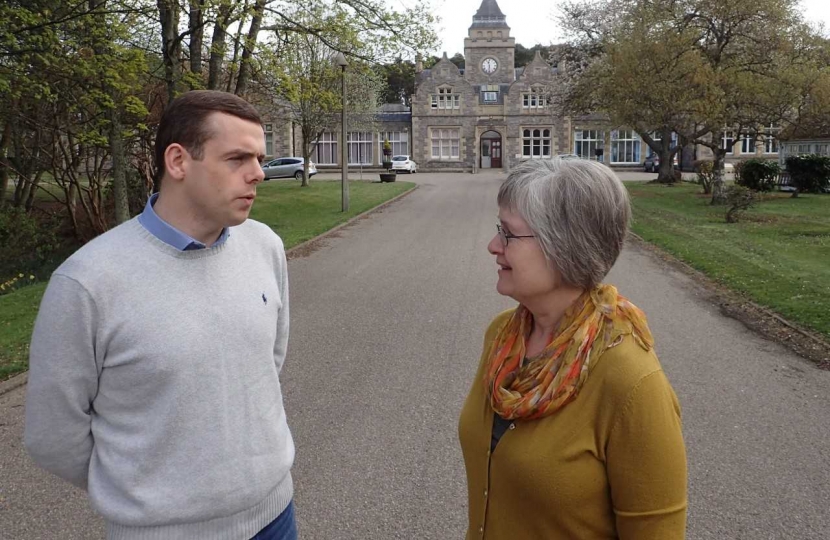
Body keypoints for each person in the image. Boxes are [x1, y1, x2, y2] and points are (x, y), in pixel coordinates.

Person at [24, 90, 298, 540]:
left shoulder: (264, 245)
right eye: (237, 159)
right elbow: (53, 435)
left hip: (275, 515)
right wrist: (146, 493)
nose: (259, 173)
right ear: (177, 161)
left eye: (260, 158)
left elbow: (268, 360)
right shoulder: (87, 283)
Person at [458, 158, 687, 539]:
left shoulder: (631, 382)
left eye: (510, 234)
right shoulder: (501, 338)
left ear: (563, 246)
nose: (493, 246)